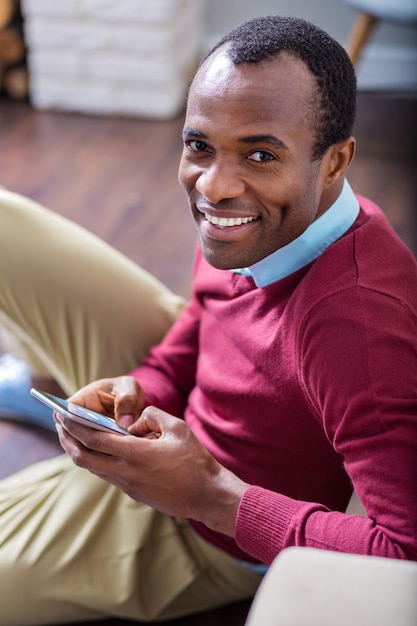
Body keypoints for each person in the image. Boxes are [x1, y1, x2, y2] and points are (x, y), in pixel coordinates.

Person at [0, 14, 416, 626]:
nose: (214, 187)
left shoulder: (357, 331)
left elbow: (401, 557)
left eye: (260, 153)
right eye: (200, 145)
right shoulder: (255, 223)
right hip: (189, 433)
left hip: (209, 532)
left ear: (334, 162)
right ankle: (56, 394)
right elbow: (204, 316)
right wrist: (145, 387)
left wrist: (211, 497)